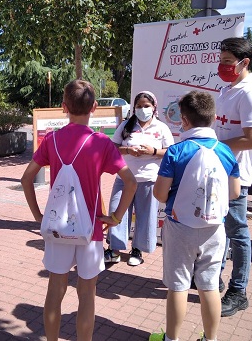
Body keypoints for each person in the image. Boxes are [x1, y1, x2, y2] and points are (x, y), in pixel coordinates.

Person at [20, 79, 137, 341]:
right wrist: (116, 217)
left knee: (55, 290)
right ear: (94, 107)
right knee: (87, 294)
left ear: (64, 107)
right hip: (91, 228)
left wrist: (39, 217)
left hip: (59, 228)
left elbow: (26, 179)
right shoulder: (102, 143)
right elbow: (131, 182)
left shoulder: (51, 140)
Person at [151, 90, 240, 341]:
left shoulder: (176, 151)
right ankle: (210, 339)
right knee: (209, 286)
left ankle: (171, 339)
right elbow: (234, 192)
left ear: (185, 120)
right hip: (214, 229)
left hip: (180, 227)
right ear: (212, 118)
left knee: (178, 286)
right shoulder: (225, 151)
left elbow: (160, 193)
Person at [213, 37, 252, 317]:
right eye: (221, 60)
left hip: (236, 175)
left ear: (244, 62)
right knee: (220, 229)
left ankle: (238, 291)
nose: (222, 66)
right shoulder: (228, 90)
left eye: (227, 62)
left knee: (237, 231)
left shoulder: (250, 93)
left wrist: (217, 147)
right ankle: (216, 278)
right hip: (220, 171)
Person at [104, 91, 174, 266]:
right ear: (134, 108)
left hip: (149, 179)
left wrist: (153, 152)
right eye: (139, 106)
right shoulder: (126, 126)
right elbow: (113, 148)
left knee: (145, 216)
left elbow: (171, 152)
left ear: (154, 107)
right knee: (116, 210)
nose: (143, 109)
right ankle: (114, 249)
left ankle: (137, 250)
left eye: (146, 106)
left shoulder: (161, 128)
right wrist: (128, 150)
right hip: (124, 178)